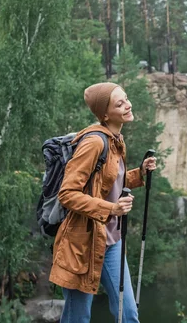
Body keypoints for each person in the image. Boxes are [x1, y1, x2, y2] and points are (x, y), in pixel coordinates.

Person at [49, 82, 156, 323]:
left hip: (112, 241)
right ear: (105, 114)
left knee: (128, 314)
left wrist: (140, 173)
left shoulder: (116, 139)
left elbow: (107, 184)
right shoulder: (94, 142)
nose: (128, 105)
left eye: (126, 99)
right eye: (120, 104)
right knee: (78, 317)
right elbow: (67, 193)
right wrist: (112, 209)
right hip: (82, 244)